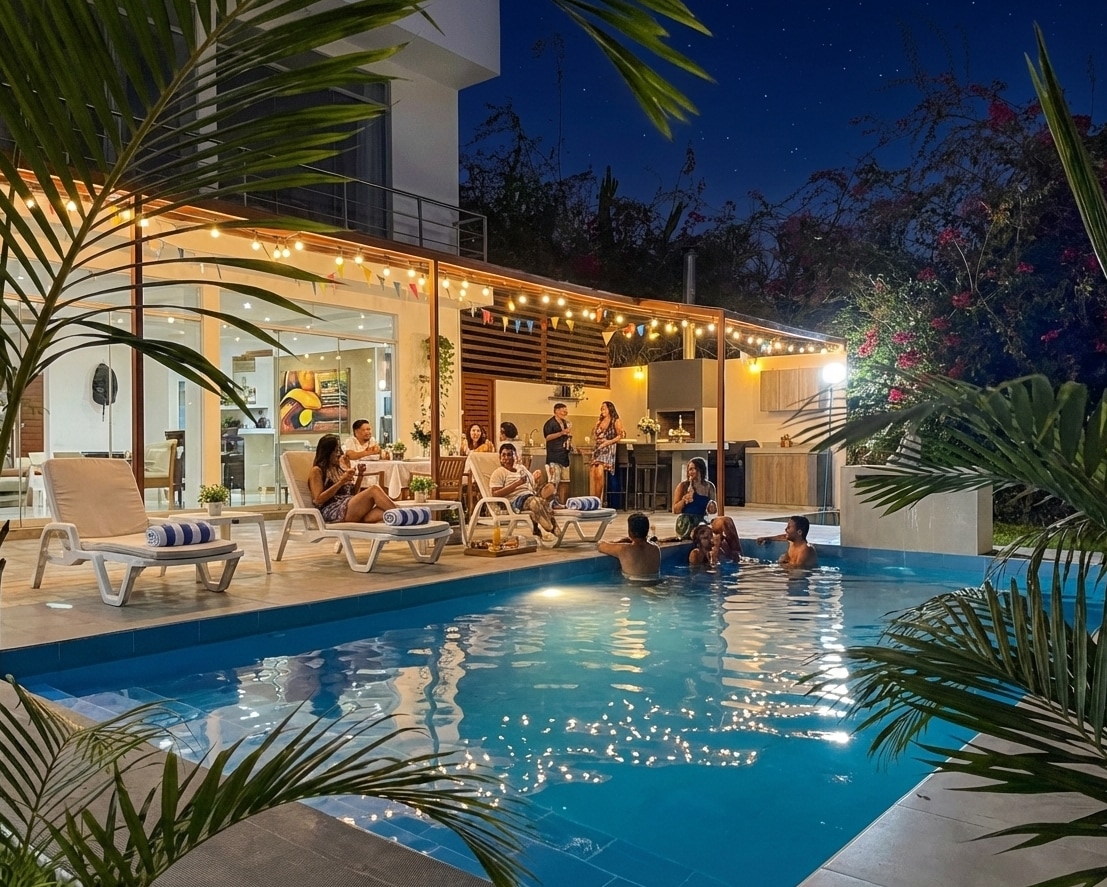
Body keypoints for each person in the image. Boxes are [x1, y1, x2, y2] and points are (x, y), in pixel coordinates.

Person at [309, 434, 397, 524]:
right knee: (374, 489)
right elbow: (318, 500)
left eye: (339, 450)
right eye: (336, 451)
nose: (339, 454)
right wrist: (341, 482)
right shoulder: (317, 470)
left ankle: (399, 515)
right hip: (334, 510)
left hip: (349, 506)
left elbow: (353, 493)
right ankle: (402, 515)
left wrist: (360, 475)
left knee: (383, 511)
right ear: (327, 452)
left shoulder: (338, 469)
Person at [489, 443, 559, 534]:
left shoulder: (521, 468)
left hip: (531, 494)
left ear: (516, 456)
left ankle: (542, 526)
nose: (506, 458)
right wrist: (517, 484)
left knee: (549, 489)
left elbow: (532, 484)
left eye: (509, 454)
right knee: (536, 503)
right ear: (500, 457)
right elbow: (495, 493)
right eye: (503, 455)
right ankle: (551, 528)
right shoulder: (499, 472)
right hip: (517, 500)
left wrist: (535, 478)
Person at [599, 512, 661, 580]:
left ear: (630, 531)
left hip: (633, 584)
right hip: (654, 583)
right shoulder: (656, 549)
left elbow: (600, 545)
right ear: (647, 530)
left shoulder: (624, 549)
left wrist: (619, 541)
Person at [672, 457, 717, 539]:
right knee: (700, 533)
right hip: (686, 522)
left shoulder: (709, 487)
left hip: (701, 520)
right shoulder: (683, 486)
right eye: (690, 469)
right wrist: (684, 500)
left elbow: (713, 511)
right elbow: (675, 510)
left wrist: (711, 506)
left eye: (694, 469)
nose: (691, 472)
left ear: (701, 470)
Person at [589, 401, 626, 498]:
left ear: (610, 409)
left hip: (608, 448)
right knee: (593, 470)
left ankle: (598, 498)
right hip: (598, 448)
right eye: (601, 408)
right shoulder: (599, 421)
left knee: (599, 471)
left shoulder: (615, 421)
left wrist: (608, 442)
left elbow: (620, 436)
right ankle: (592, 497)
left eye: (604, 408)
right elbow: (594, 434)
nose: (602, 410)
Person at [543, 402, 573, 504]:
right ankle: (551, 503)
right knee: (553, 481)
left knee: (565, 481)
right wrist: (561, 433)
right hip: (554, 456)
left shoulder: (565, 423)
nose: (565, 413)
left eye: (566, 411)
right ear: (556, 411)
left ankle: (563, 502)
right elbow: (547, 437)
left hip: (564, 456)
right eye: (563, 411)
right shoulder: (550, 423)